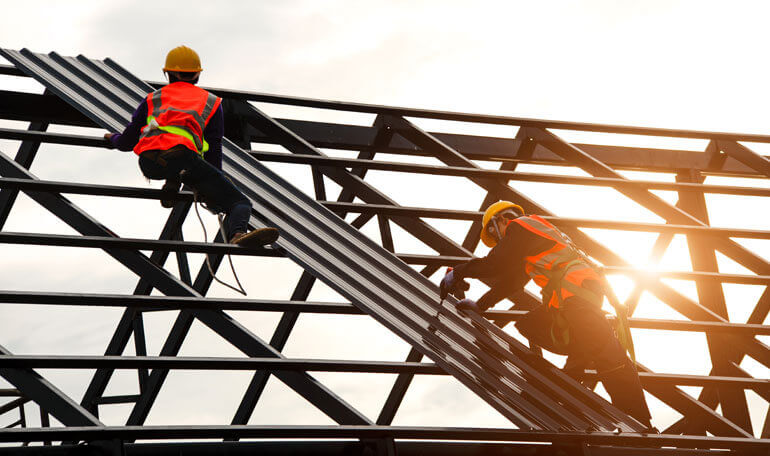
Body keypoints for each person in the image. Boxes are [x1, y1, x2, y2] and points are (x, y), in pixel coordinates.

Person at [439, 201, 652, 428]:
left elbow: (495, 263)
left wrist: (458, 273)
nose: (499, 239)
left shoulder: (518, 226)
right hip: (574, 300)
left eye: (494, 232)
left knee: (612, 360)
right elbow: (514, 282)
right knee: (530, 325)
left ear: (500, 220)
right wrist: (481, 305)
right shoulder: (534, 234)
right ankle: (566, 378)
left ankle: (641, 425)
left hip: (577, 298)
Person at [104, 45, 278, 247]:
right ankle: (238, 234)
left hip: (149, 163)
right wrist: (215, 183)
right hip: (183, 158)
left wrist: (111, 139)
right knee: (240, 203)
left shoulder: (153, 98)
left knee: (177, 160)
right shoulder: (211, 102)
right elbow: (213, 146)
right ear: (197, 75)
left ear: (168, 73)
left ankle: (172, 184)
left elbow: (127, 142)